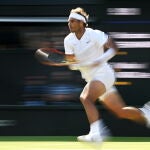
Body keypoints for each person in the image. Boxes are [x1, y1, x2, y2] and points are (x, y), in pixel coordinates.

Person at [63, 7, 150, 142]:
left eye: (73, 21)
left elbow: (114, 47)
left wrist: (99, 60)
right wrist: (74, 65)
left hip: (104, 74)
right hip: (92, 78)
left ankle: (97, 134)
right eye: (69, 21)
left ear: (82, 23)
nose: (70, 23)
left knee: (85, 98)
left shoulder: (95, 34)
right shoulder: (68, 40)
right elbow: (71, 63)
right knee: (121, 112)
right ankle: (146, 113)